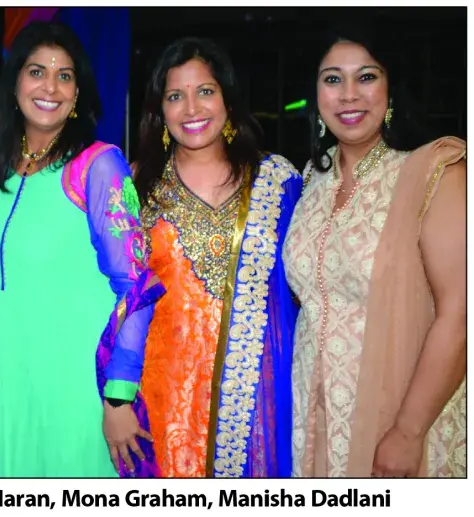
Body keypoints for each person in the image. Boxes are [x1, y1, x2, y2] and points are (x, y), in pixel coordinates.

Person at [0, 21, 163, 478]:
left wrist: (119, 396)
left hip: (75, 397)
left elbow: (137, 286)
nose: (50, 87)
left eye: (65, 75)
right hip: (7, 394)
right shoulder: (0, 173)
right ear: (15, 83)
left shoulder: (98, 166)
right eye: (37, 72)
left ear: (78, 93)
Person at [285, 25, 466, 478]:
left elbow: (461, 312)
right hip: (315, 415)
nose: (349, 94)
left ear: (391, 88)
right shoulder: (311, 180)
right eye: (332, 79)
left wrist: (408, 431)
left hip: (402, 412)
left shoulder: (434, 171)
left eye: (366, 77)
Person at [133, 37, 302, 478]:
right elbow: (116, 305)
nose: (192, 108)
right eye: (175, 96)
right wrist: (115, 401)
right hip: (163, 401)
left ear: (228, 98)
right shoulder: (136, 189)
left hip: (259, 399)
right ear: (159, 110)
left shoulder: (277, 181)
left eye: (205, 91)